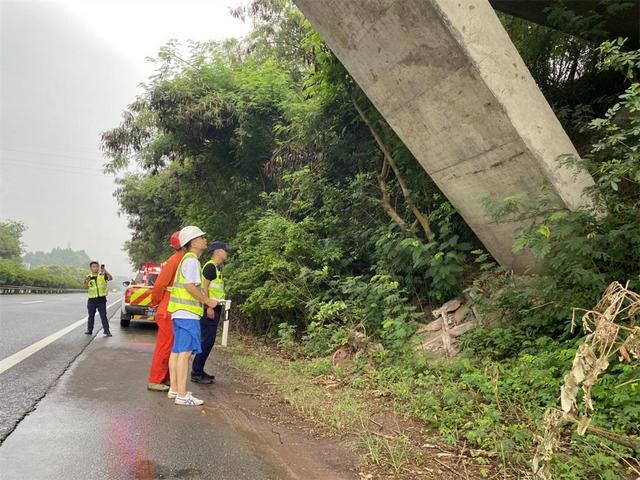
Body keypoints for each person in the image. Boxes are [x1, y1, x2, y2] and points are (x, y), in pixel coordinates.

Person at [166, 226, 217, 406]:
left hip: (179, 313)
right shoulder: (192, 261)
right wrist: (207, 301)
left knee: (178, 351)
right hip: (188, 315)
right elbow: (190, 286)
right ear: (194, 242)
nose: (205, 240)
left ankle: (174, 389)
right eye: (202, 238)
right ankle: (182, 394)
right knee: (185, 354)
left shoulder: (185, 260)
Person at [146, 231, 184, 392]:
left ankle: (166, 378)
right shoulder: (175, 261)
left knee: (172, 346)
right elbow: (159, 285)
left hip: (173, 309)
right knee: (166, 346)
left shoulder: (182, 260)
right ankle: (155, 379)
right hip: (168, 310)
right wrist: (155, 303)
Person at [191, 241, 230, 384]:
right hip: (210, 309)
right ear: (218, 252)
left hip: (214, 307)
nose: (227, 253)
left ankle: (199, 370)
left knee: (208, 341)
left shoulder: (217, 268)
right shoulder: (210, 267)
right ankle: (196, 372)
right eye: (225, 251)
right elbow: (204, 287)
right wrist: (208, 307)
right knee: (206, 341)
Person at [84, 261, 113, 336]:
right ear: (90, 268)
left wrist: (105, 271)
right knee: (91, 316)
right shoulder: (88, 276)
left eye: (97, 266)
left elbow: (110, 278)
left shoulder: (102, 275)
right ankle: (89, 330)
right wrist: (86, 281)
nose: (95, 268)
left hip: (101, 300)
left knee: (103, 315)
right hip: (91, 300)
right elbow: (85, 287)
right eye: (93, 267)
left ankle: (106, 330)